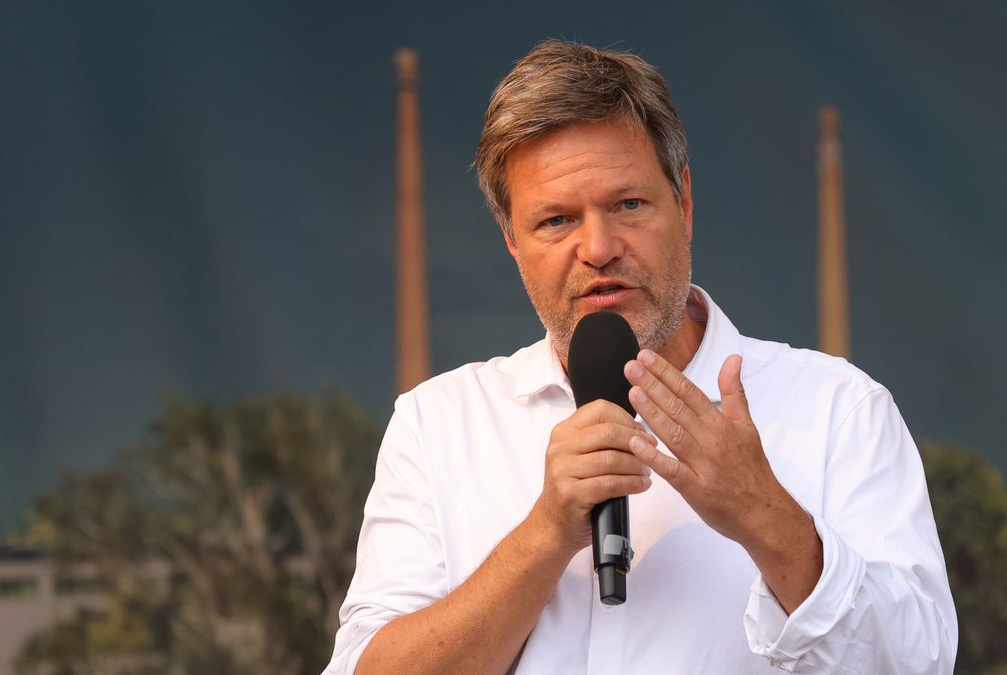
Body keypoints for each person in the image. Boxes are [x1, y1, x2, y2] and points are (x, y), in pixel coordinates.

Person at [325, 40, 957, 674]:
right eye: (556, 221)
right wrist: (545, 533)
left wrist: (765, 516)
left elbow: (919, 664)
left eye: (628, 204)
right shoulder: (439, 425)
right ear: (512, 242)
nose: (598, 247)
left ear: (684, 203)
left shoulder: (838, 411)